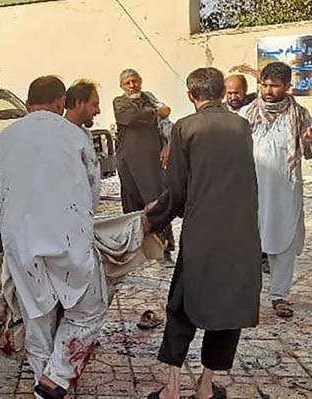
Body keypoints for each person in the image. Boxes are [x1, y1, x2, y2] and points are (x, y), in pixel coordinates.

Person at [0, 76, 108, 399]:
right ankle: (58, 377)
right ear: (60, 102)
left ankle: (46, 384)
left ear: (27, 105)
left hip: (21, 239)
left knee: (37, 318)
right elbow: (93, 190)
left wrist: (18, 215)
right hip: (69, 236)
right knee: (88, 309)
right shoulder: (75, 136)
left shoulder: (5, 138)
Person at [143, 67, 262, 399]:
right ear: (222, 93)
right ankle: (206, 386)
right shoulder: (241, 125)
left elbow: (178, 189)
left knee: (182, 302)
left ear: (191, 95)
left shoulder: (186, 127)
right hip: (241, 230)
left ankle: (171, 389)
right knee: (229, 304)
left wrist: (154, 217)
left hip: (202, 230)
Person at [239, 62, 312, 318]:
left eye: (274, 85)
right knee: (248, 242)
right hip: (250, 189)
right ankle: (244, 294)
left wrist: (310, 143)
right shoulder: (245, 114)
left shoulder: (300, 114)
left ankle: (280, 296)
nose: (268, 90)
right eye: (264, 84)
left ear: (287, 86)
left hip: (285, 189)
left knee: (283, 241)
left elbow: (308, 153)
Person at [113, 69, 175, 265]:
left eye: (135, 81)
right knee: (131, 204)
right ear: (122, 86)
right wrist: (157, 111)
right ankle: (134, 250)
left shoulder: (150, 99)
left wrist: (166, 145)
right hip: (128, 161)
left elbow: (165, 123)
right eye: (128, 83)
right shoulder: (120, 102)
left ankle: (164, 249)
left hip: (151, 160)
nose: (133, 86)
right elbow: (131, 117)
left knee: (157, 201)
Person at [63, 79, 102, 210]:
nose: (98, 111)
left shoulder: (85, 134)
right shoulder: (61, 136)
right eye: (94, 104)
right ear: (79, 103)